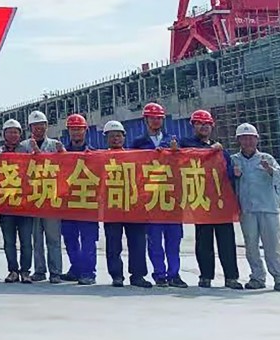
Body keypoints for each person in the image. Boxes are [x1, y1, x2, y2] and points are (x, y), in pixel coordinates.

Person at [182, 109, 242, 289]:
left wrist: (235, 173)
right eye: (200, 123)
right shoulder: (187, 146)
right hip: (201, 201)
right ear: (193, 126)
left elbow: (228, 176)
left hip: (221, 204)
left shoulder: (221, 151)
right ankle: (205, 276)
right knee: (203, 241)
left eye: (207, 124)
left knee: (226, 241)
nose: (204, 127)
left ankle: (231, 277)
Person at [129, 102, 187, 288]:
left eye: (159, 117)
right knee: (154, 241)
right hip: (150, 199)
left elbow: (185, 165)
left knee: (174, 240)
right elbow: (132, 168)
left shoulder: (173, 141)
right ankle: (159, 274)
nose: (156, 120)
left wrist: (176, 152)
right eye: (152, 117)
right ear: (146, 120)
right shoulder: (138, 143)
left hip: (171, 198)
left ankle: (174, 274)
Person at [230, 123, 280, 292]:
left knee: (272, 246)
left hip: (268, 208)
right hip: (247, 210)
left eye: (251, 138)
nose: (248, 141)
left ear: (257, 139)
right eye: (244, 138)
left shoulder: (267, 158)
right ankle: (257, 277)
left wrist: (270, 171)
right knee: (251, 245)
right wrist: (234, 175)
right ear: (239, 140)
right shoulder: (234, 160)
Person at [101, 120, 152, 288]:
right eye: (111, 136)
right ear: (106, 139)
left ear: (124, 137)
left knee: (137, 243)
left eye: (118, 135)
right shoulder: (99, 158)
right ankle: (116, 275)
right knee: (113, 244)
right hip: (112, 207)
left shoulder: (135, 156)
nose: (115, 139)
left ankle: (138, 276)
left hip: (134, 207)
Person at [19, 110, 64, 283]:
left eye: (42, 125)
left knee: (53, 238)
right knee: (36, 239)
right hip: (32, 200)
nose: (39, 128)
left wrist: (62, 153)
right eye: (35, 126)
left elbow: (67, 165)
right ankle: (39, 270)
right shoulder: (24, 147)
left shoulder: (55, 145)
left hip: (51, 199)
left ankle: (55, 271)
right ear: (30, 127)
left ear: (46, 126)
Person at [60, 114, 99, 285]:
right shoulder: (61, 154)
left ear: (86, 130)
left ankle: (89, 272)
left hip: (89, 204)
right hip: (67, 204)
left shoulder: (95, 154)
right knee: (69, 238)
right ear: (68, 131)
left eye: (79, 129)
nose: (76, 133)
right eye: (73, 129)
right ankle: (76, 268)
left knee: (88, 240)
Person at [0, 119, 33, 284]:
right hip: (6, 205)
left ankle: (25, 271)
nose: (13, 135)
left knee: (26, 241)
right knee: (9, 242)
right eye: (9, 131)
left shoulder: (27, 151)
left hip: (24, 205)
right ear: (4, 134)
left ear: (20, 134)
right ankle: (13, 270)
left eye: (16, 132)